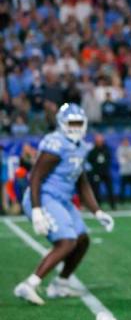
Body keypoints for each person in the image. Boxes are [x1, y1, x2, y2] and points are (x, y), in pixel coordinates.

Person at [13, 104, 114, 305]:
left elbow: (81, 181)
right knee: (67, 241)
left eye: (79, 123)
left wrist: (97, 211)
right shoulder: (55, 145)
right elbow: (35, 178)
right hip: (43, 197)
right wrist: (37, 210)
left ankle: (60, 284)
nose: (76, 128)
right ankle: (29, 285)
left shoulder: (81, 147)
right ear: (61, 124)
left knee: (82, 239)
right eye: (71, 123)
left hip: (62, 199)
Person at [86, 133, 116, 209]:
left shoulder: (107, 149)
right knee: (96, 190)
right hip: (96, 173)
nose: (99, 142)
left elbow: (109, 159)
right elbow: (90, 160)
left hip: (106, 172)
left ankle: (113, 205)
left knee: (110, 189)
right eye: (98, 140)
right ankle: (97, 206)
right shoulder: (93, 150)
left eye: (100, 140)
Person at [116, 137, 131, 202]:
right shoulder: (120, 149)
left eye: (127, 141)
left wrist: (128, 157)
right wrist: (130, 157)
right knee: (122, 188)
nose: (126, 143)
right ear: (122, 142)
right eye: (124, 141)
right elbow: (121, 161)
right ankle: (121, 201)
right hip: (124, 172)